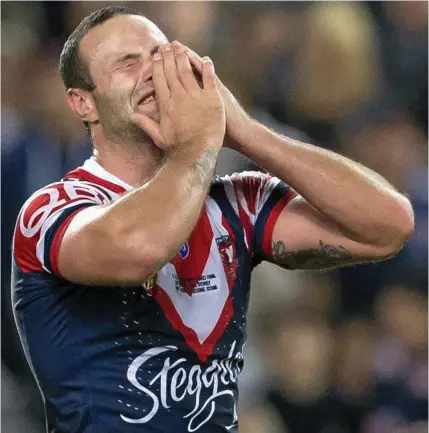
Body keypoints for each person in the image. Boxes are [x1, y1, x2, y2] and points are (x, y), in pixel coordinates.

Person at [11, 5, 414, 433]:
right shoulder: (53, 210)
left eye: (161, 57)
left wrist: (245, 131)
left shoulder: (234, 203)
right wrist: (198, 146)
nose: (152, 72)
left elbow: (390, 225)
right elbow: (139, 249)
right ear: (83, 103)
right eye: (129, 63)